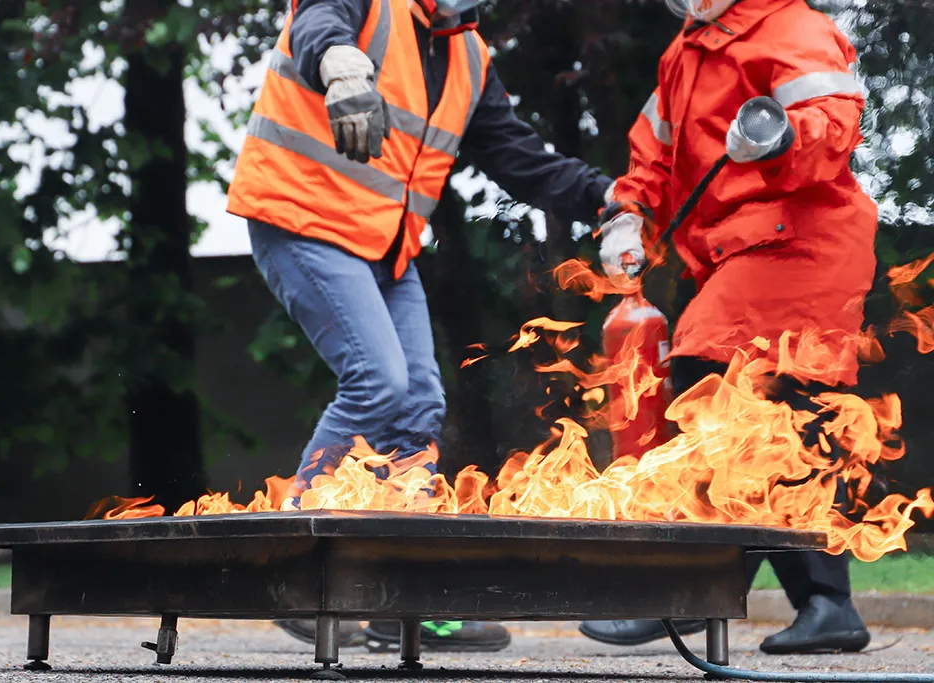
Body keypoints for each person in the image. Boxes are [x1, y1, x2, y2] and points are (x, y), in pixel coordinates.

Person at [225, 0, 614, 653]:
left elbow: (519, 158)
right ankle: (293, 566)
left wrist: (603, 196)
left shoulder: (469, 57)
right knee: (376, 380)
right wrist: (341, 63)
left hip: (383, 242)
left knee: (418, 404)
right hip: (303, 218)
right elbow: (317, 22)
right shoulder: (368, 7)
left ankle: (404, 598)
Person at [577, 0, 875, 655]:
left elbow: (836, 123)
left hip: (801, 242)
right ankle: (826, 604)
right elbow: (655, 148)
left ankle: (691, 588)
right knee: (778, 421)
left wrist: (785, 136)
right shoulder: (688, 49)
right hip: (749, 246)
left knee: (709, 378)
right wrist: (626, 213)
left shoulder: (791, 27)